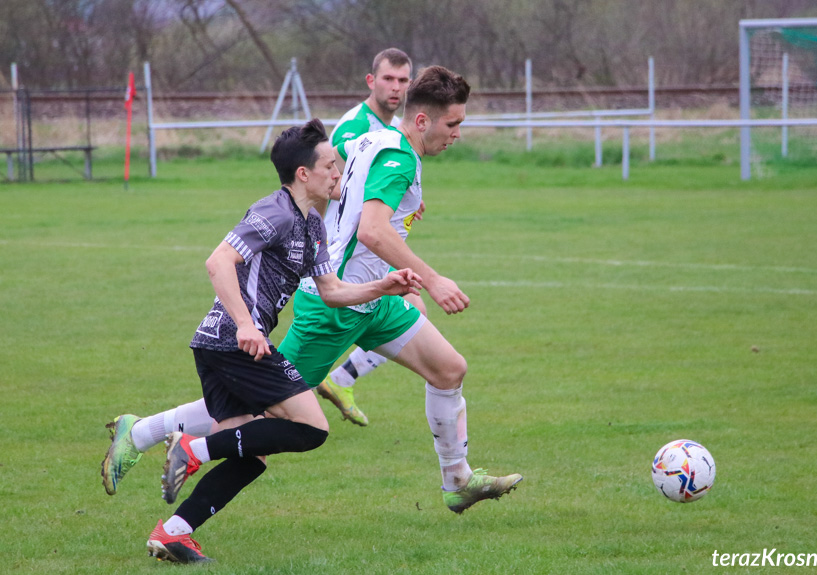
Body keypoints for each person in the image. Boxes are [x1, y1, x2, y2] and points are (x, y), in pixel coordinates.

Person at [102, 65, 522, 520]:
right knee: (265, 411)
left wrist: (352, 258)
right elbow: (373, 230)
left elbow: (332, 187)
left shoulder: (369, 137)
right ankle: (142, 433)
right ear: (423, 121)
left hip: (371, 297)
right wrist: (432, 280)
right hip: (334, 307)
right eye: (453, 124)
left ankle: (457, 481)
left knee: (448, 369)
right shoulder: (398, 158)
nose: (457, 133)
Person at [142, 118, 422, 563]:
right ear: (304, 174)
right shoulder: (275, 211)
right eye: (332, 165)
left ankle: (174, 531)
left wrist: (381, 286)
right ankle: (191, 446)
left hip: (222, 347)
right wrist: (246, 324)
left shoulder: (313, 225)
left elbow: (331, 292)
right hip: (234, 344)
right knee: (312, 429)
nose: (340, 172)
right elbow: (219, 262)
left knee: (252, 454)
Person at [317, 47, 422, 427]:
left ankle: (339, 380)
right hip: (347, 251)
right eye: (388, 79)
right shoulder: (354, 127)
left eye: (403, 80)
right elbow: (328, 185)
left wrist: (397, 200)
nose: (396, 88)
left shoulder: (395, 130)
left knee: (416, 312)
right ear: (371, 81)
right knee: (285, 384)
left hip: (369, 250)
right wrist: (380, 197)